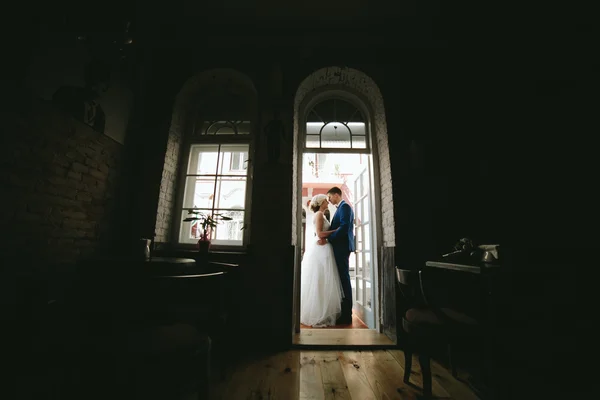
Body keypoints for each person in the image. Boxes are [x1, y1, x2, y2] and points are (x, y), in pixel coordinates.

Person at [300, 194, 344, 327]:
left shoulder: (322, 215)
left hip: (325, 247)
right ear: (321, 203)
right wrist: (336, 230)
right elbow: (319, 233)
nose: (327, 202)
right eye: (325, 200)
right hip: (321, 249)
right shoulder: (319, 215)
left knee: (325, 281)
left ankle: (324, 312)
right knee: (319, 281)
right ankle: (318, 313)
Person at [321, 186, 355, 325]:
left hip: (342, 247)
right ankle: (344, 312)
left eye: (329, 197)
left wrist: (330, 238)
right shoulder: (341, 208)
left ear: (336, 195)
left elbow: (344, 227)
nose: (328, 200)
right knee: (341, 278)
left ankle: (347, 315)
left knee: (344, 279)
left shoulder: (345, 207)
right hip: (340, 247)